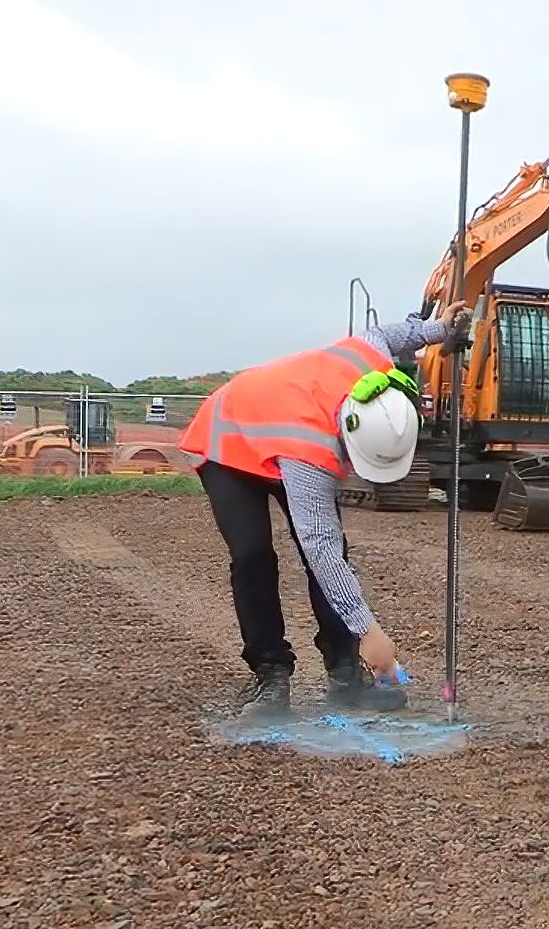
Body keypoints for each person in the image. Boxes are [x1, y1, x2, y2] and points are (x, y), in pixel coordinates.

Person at [178, 301, 469, 720]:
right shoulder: (310, 450)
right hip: (226, 444)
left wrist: (438, 328)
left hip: (277, 425)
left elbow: (389, 335)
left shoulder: (370, 361)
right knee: (253, 555)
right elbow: (320, 547)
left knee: (331, 556)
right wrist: (369, 631)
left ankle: (345, 674)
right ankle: (271, 674)